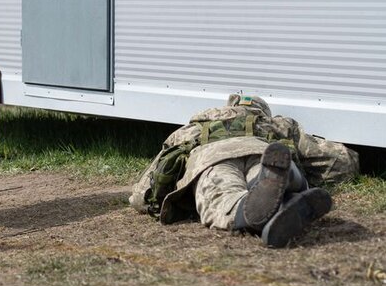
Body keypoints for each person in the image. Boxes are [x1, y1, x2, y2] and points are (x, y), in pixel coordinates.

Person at [130, 94, 359, 248]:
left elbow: (145, 189)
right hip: (263, 151)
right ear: (262, 111)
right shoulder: (278, 125)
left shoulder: (193, 128)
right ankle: (290, 180)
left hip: (213, 159)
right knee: (263, 176)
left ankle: (251, 212)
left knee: (225, 199)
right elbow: (341, 162)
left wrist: (143, 200)